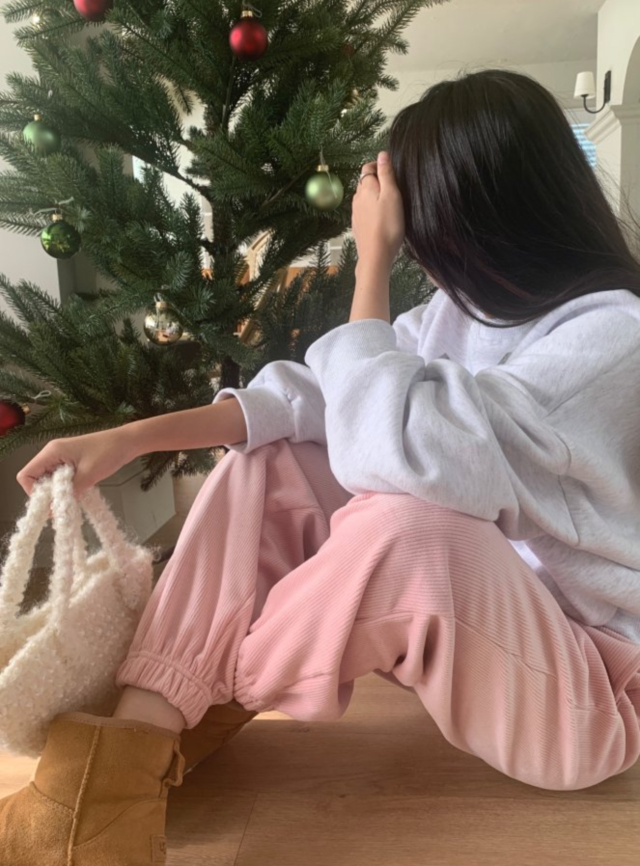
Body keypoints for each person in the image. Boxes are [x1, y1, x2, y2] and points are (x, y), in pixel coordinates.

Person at [2, 68, 640, 865]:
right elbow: (310, 399)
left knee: (410, 526)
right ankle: (120, 772)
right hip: (490, 640)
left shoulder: (612, 339)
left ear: (481, 219)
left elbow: (396, 448)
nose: (417, 251)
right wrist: (132, 438)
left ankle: (174, 710)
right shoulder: (465, 311)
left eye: (420, 228)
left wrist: (370, 265)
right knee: (273, 460)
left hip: (585, 694)